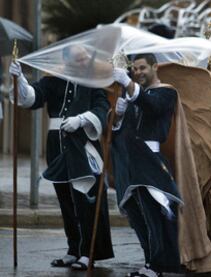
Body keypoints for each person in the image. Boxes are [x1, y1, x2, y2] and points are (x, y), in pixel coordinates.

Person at [8, 45, 114, 270]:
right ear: (66, 61)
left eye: (85, 59)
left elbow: (102, 109)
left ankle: (88, 253)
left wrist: (84, 118)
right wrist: (20, 80)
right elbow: (32, 97)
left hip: (83, 146)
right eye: (78, 59)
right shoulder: (53, 80)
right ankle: (73, 249)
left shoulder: (92, 83)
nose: (83, 63)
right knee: (66, 201)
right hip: (57, 146)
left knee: (85, 200)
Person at [111, 53, 182, 277]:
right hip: (131, 161)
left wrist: (127, 84)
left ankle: (160, 265)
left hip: (151, 159)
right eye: (135, 69)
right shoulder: (134, 95)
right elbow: (123, 132)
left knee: (155, 214)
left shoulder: (167, 91)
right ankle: (150, 260)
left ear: (155, 67)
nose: (138, 72)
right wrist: (119, 117)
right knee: (137, 214)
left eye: (143, 68)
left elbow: (153, 107)